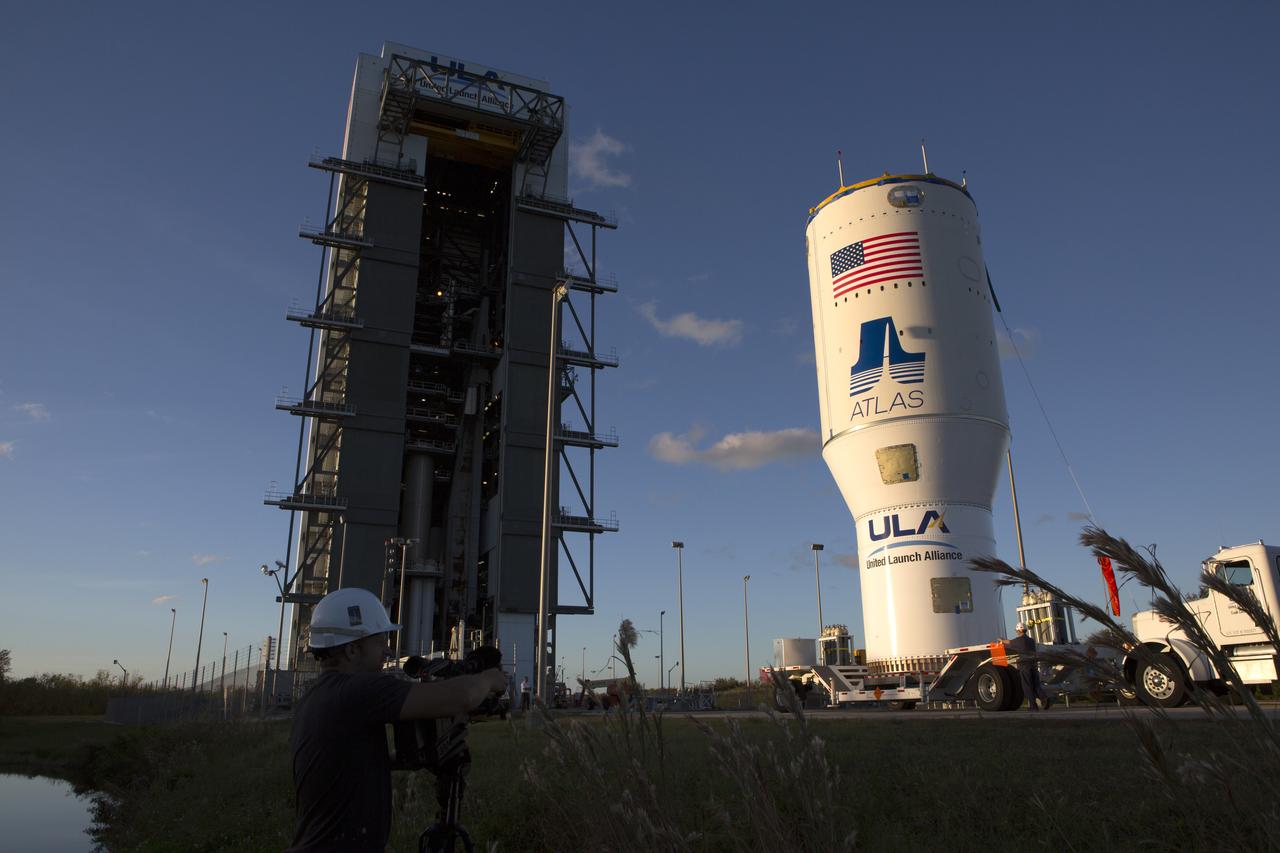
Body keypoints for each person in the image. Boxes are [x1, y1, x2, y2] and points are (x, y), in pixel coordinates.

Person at [288, 587, 508, 853]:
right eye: (380, 641)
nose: (388, 651)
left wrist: (420, 754)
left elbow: (346, 762)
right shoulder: (360, 691)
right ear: (352, 650)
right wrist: (489, 679)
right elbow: (462, 697)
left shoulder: (316, 697)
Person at [1005, 622, 1050, 710]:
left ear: (1019, 630)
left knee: (1027, 686)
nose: (1016, 632)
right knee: (1036, 684)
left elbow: (1009, 642)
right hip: (1033, 664)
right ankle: (1044, 697)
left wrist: (1001, 640)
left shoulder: (1018, 641)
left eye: (1017, 631)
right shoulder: (1031, 640)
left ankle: (1033, 706)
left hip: (1024, 666)